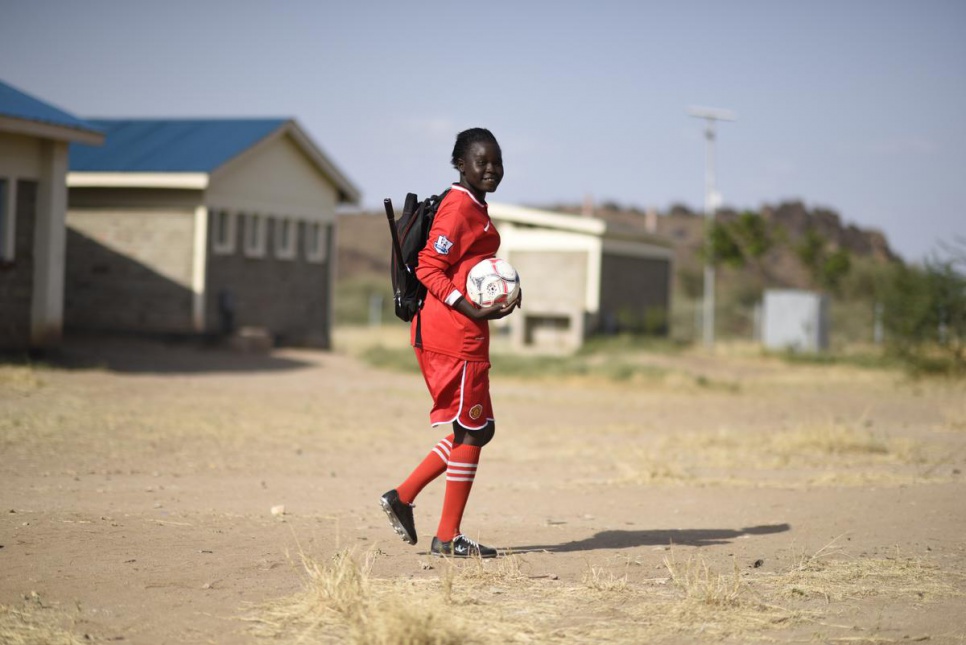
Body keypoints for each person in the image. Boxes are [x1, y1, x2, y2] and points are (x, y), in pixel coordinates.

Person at [380, 127, 520, 558]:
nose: (492, 168)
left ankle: (405, 499)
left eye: (497, 161)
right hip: (451, 335)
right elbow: (428, 267)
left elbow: (467, 266)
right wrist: (470, 307)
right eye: (482, 162)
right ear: (461, 164)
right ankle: (445, 535)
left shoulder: (473, 204)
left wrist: (503, 290)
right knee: (473, 431)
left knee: (478, 429)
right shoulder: (459, 207)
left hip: (463, 334)